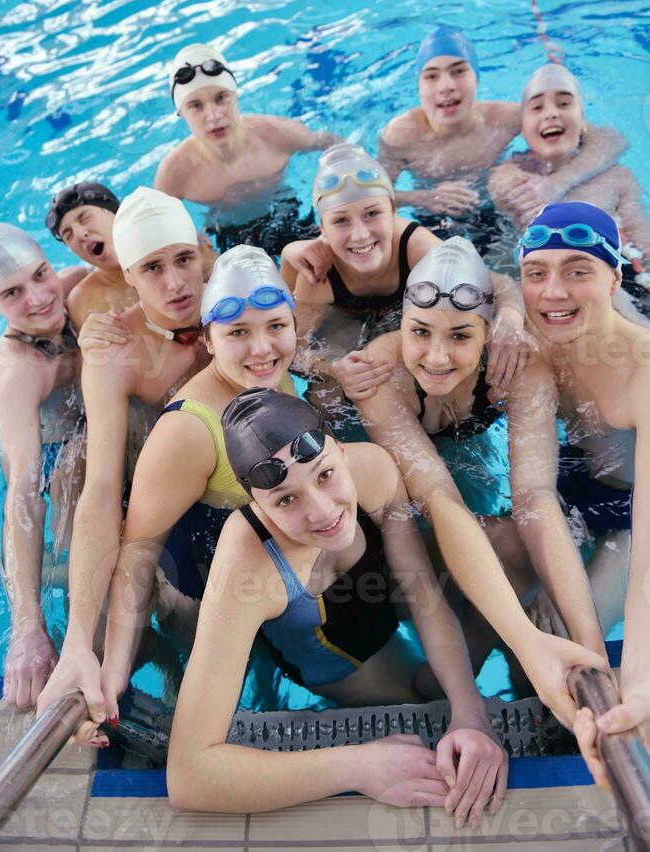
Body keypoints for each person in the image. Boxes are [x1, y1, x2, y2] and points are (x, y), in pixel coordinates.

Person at [167, 387, 509, 824]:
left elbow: (424, 597)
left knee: (510, 551)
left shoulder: (373, 469)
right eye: (286, 500)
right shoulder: (247, 566)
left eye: (325, 474)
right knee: (417, 700)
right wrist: (359, 766)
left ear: (342, 450)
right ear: (258, 505)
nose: (322, 511)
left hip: (376, 589)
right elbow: (189, 776)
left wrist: (470, 712)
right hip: (331, 649)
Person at [333, 237, 606, 691]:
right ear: (402, 324)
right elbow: (436, 496)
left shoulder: (519, 367)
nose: (436, 357)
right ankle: (474, 652)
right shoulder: (384, 370)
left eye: (460, 335)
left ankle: (496, 656)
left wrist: (592, 651)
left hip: (464, 447)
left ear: (488, 335)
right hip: (389, 522)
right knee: (437, 530)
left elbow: (535, 498)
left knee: (524, 544)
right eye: (419, 332)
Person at [76, 247, 302, 737]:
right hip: (198, 600)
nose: (262, 348)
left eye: (276, 327)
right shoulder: (187, 429)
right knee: (196, 709)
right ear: (209, 340)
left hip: (270, 586)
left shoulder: (277, 375)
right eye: (238, 333)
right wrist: (114, 668)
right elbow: (138, 552)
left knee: (264, 681)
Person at [36, 187, 209, 721]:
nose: (176, 282)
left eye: (184, 260)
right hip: (159, 478)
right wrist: (76, 647)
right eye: (153, 268)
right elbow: (102, 492)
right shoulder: (108, 340)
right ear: (130, 276)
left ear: (202, 251)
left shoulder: (236, 290)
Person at [511, 201, 650, 776]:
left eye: (577, 270)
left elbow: (647, 541)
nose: (553, 293)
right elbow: (533, 494)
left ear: (615, 277)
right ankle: (551, 712)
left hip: (629, 511)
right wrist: (589, 651)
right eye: (537, 273)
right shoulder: (537, 350)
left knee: (564, 623)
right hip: (574, 487)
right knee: (539, 623)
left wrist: (634, 680)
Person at [281, 144, 531, 386]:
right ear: (323, 229)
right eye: (341, 220)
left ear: (392, 212)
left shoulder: (418, 248)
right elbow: (289, 347)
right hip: (345, 315)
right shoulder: (319, 271)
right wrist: (333, 370)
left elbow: (501, 284)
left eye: (372, 214)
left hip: (412, 316)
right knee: (326, 394)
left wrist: (510, 317)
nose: (359, 234)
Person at [378, 25, 626, 241]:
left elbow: (610, 140)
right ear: (419, 86)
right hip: (433, 219)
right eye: (432, 76)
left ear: (476, 77)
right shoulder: (400, 135)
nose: (447, 86)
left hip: (497, 211)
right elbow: (373, 196)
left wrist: (558, 183)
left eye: (459, 71)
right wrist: (422, 197)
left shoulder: (505, 119)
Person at [0, 224, 84, 708]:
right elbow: (23, 494)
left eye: (40, 275)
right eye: (11, 293)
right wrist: (27, 626)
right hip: (48, 456)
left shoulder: (73, 287)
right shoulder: (14, 375)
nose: (37, 299)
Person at [154, 43, 339, 254]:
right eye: (196, 105)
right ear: (181, 113)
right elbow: (159, 229)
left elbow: (330, 144)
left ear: (235, 94)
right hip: (228, 235)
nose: (213, 116)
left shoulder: (278, 133)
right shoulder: (174, 172)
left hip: (287, 214)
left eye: (221, 97)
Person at [489, 62, 650, 280]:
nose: (551, 114)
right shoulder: (512, 179)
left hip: (617, 272)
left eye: (564, 104)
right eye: (537, 108)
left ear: (584, 122)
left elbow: (644, 239)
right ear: (523, 130)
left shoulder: (618, 177)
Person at [45, 182, 137, 330]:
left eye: (85, 218)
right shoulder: (83, 303)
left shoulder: (173, 251)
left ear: (117, 212)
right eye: (68, 235)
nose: (81, 235)